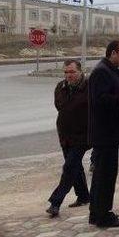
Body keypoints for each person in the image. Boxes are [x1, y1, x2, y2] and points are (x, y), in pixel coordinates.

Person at [88, 40, 119, 228]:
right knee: (105, 175)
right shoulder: (101, 72)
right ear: (113, 53)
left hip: (110, 133)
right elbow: (102, 100)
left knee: (103, 174)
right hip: (104, 133)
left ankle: (97, 212)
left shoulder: (112, 70)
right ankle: (103, 215)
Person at [46, 59, 90, 217]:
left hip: (82, 135)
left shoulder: (88, 87)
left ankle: (55, 202)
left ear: (80, 71)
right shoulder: (60, 87)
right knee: (75, 166)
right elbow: (59, 107)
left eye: (72, 72)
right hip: (65, 134)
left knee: (69, 167)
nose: (68, 75)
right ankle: (84, 196)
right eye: (66, 72)